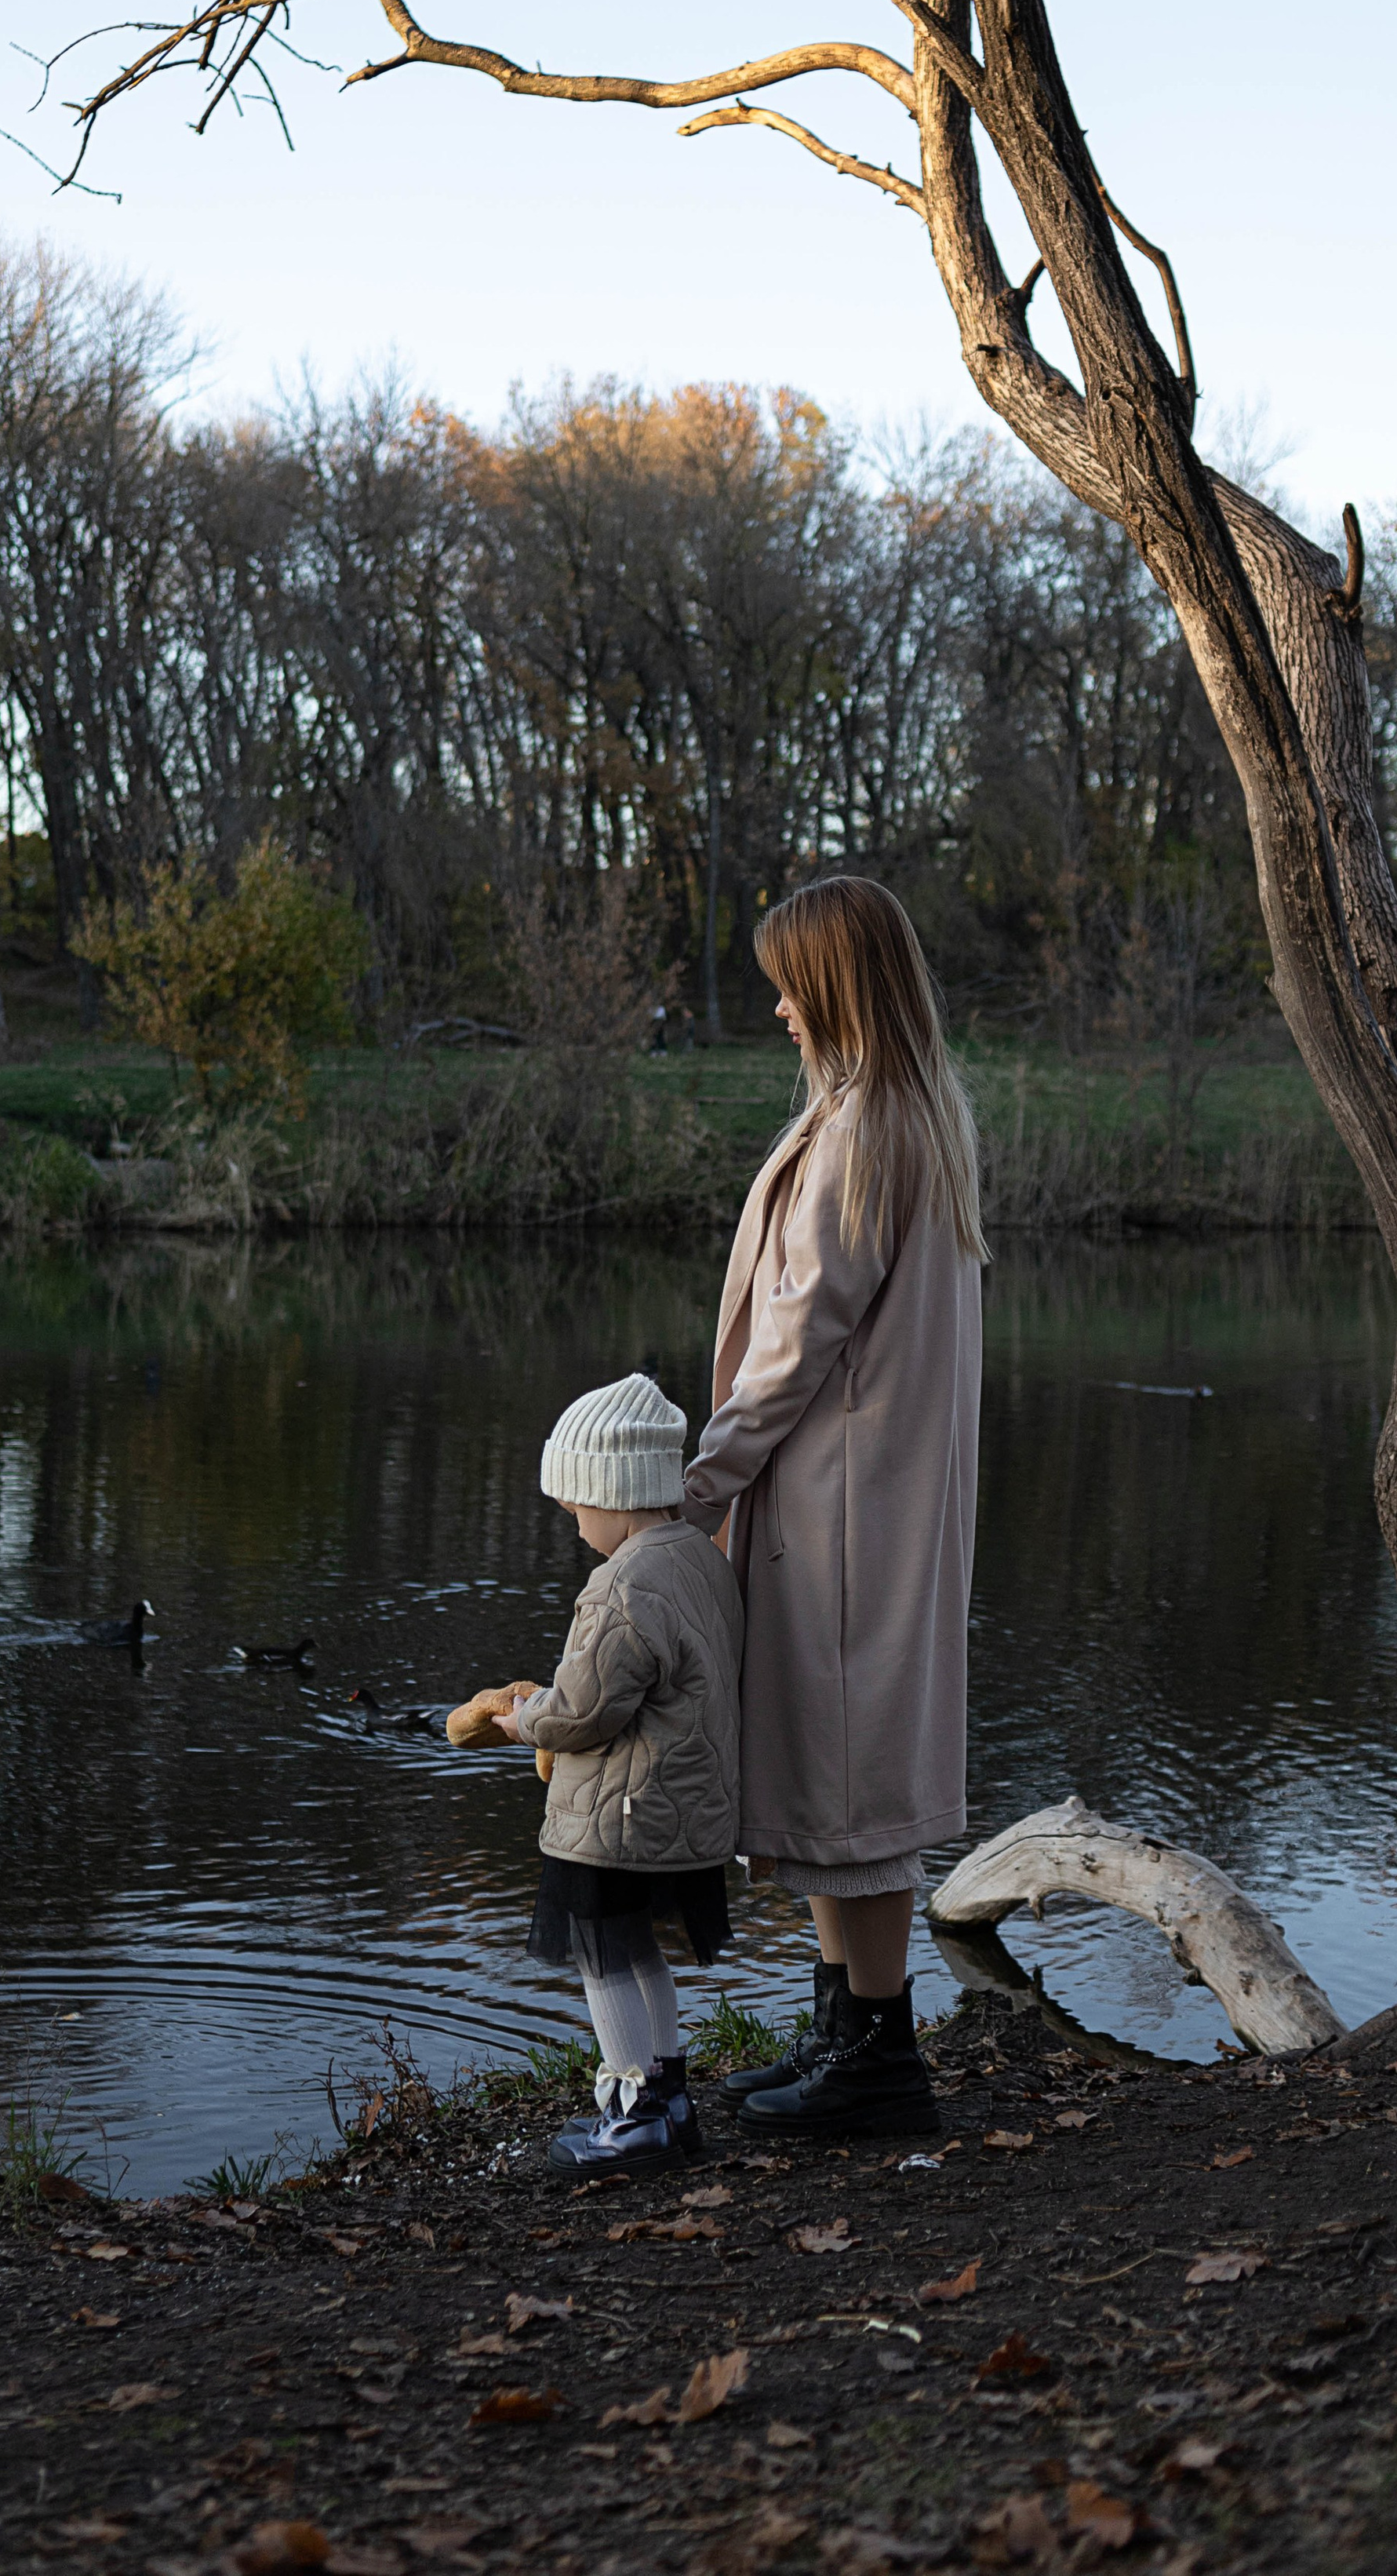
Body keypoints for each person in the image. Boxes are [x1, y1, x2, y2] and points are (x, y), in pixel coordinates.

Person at [679, 876, 987, 2135]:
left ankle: (878, 2062)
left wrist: (691, 1489)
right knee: (830, 1778)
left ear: (838, 987)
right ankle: (841, 2032)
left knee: (855, 1789)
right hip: (849, 1505)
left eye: (791, 983)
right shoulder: (899, 1115)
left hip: (845, 1514)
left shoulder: (869, 1134)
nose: (777, 1009)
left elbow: (794, 1347)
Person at [497, 1372, 744, 2180]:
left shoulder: (624, 1583)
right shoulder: (700, 1561)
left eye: (575, 1509)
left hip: (618, 1816)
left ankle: (632, 2116)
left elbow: (584, 1712)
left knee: (602, 1956)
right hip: (680, 1806)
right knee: (643, 1953)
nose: (573, 1526)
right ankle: (669, 2100)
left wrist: (522, 1717)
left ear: (614, 1491)